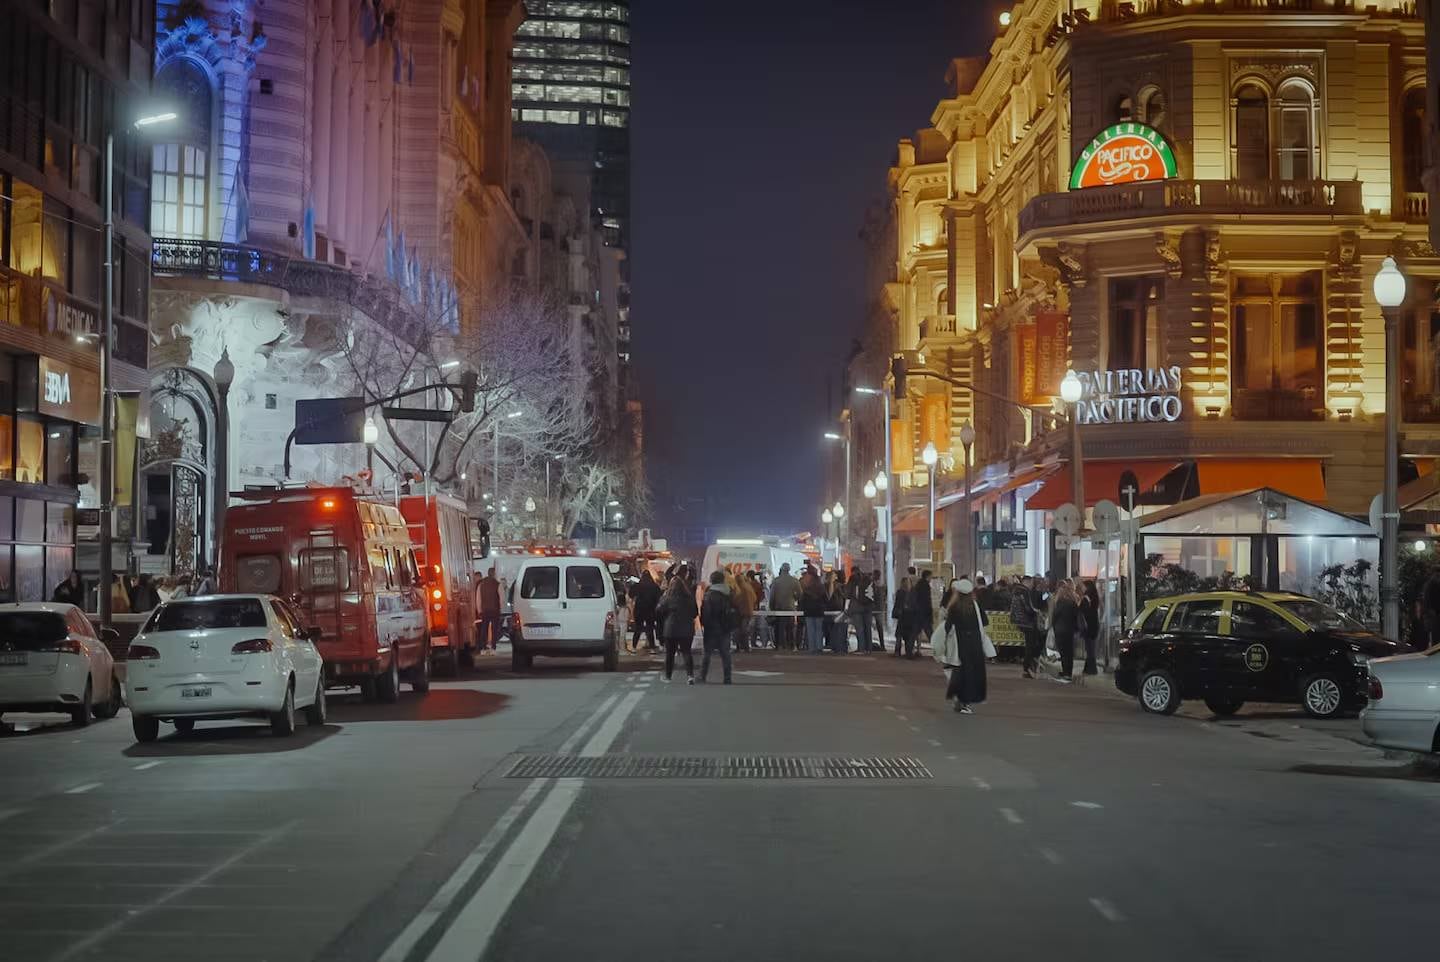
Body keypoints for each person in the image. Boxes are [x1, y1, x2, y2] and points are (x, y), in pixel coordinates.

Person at [943, 579, 989, 714]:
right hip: (974, 642)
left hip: (960, 642)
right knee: (973, 672)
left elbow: (948, 626)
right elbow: (985, 621)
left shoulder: (954, 606)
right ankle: (966, 702)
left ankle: (960, 700)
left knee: (960, 671)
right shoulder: (975, 605)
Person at [656, 569, 699, 683]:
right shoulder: (689, 598)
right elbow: (695, 613)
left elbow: (659, 610)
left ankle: (668, 676)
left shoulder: (668, 598)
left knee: (670, 654)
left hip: (671, 629)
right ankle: (690, 676)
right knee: (686, 652)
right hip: (687, 629)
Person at [698, 570, 738, 684]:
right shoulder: (729, 592)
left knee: (706, 653)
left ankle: (702, 676)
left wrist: (704, 624)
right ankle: (727, 678)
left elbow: (706, 613)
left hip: (711, 629)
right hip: (725, 628)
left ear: (712, 580)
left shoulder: (709, 594)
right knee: (725, 654)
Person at [1050, 580, 1079, 683]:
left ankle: (1066, 672)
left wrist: (1052, 626)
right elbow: (1076, 617)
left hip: (1060, 630)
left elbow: (1054, 617)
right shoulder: (1073, 603)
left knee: (1063, 652)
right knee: (1069, 652)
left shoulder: (1060, 603)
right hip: (1070, 630)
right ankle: (1068, 673)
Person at [1011, 575, 1040, 678]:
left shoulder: (1016, 591)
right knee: (1031, 645)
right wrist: (1036, 612)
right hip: (1027, 621)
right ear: (1027, 582)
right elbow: (1028, 607)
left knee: (1030, 644)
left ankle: (1028, 666)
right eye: (1031, 582)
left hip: (1019, 620)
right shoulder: (1024, 591)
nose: (1032, 584)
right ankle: (1027, 667)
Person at [629, 570, 661, 653]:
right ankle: (652, 648)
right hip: (650, 610)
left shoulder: (638, 585)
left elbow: (631, 594)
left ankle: (634, 647)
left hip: (639, 609)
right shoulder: (654, 586)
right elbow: (659, 597)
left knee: (638, 628)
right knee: (650, 628)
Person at [770, 563, 800, 650]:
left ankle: (780, 645)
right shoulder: (794, 581)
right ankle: (791, 644)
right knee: (790, 628)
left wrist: (772, 608)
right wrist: (794, 598)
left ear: (781, 569)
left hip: (779, 608)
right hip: (790, 608)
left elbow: (772, 596)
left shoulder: (776, 581)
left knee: (780, 628)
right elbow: (800, 594)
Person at [906, 570, 934, 658]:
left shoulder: (918, 585)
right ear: (927, 576)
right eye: (930, 577)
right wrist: (930, 613)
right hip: (924, 613)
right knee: (930, 634)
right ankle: (938, 652)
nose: (931, 579)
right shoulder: (925, 586)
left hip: (917, 613)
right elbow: (927, 601)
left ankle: (909, 651)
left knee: (914, 633)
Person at [475, 568, 503, 652]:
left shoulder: (481, 585)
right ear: (494, 574)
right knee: (495, 629)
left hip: (485, 610)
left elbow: (478, 598)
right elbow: (502, 598)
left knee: (484, 629)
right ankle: (493, 647)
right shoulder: (498, 584)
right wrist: (500, 608)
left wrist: (479, 610)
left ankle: (483, 647)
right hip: (495, 610)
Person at [800, 568, 827, 653]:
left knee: (810, 630)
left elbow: (802, 600)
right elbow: (826, 600)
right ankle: (819, 647)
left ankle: (812, 647)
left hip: (809, 611)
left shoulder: (807, 589)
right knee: (819, 630)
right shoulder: (821, 587)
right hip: (819, 611)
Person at [730, 566, 755, 653]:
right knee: (745, 630)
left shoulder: (738, 589)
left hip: (739, 612)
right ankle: (746, 647)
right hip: (748, 612)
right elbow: (754, 598)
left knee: (738, 630)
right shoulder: (749, 588)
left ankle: (739, 647)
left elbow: (735, 600)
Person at [849, 568, 873, 652]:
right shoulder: (868, 580)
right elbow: (872, 595)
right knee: (867, 628)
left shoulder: (853, 580)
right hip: (867, 607)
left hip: (856, 607)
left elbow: (848, 593)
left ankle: (861, 648)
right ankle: (869, 648)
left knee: (860, 629)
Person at [1080, 579, 1101, 675]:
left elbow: (1082, 611)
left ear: (1087, 587)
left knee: (1089, 649)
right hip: (1094, 625)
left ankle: (1092, 669)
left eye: (1083, 586)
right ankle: (1088, 668)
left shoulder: (1086, 598)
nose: (1082, 588)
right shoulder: (1095, 597)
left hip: (1088, 626)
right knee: (1091, 648)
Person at [823, 571, 847, 653]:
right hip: (835, 609)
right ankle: (834, 645)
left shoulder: (826, 586)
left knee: (830, 628)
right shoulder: (840, 586)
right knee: (834, 628)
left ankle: (830, 644)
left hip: (830, 609)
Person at [892, 574, 913, 656]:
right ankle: (908, 651)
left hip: (902, 615)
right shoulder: (911, 593)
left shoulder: (900, 592)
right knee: (907, 635)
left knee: (899, 634)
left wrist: (896, 612)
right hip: (908, 616)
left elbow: (897, 604)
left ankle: (897, 651)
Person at [870, 569, 887, 651]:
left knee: (874, 626)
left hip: (873, 608)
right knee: (879, 627)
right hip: (879, 608)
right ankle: (882, 645)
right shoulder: (882, 585)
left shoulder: (872, 585)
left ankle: (871, 644)